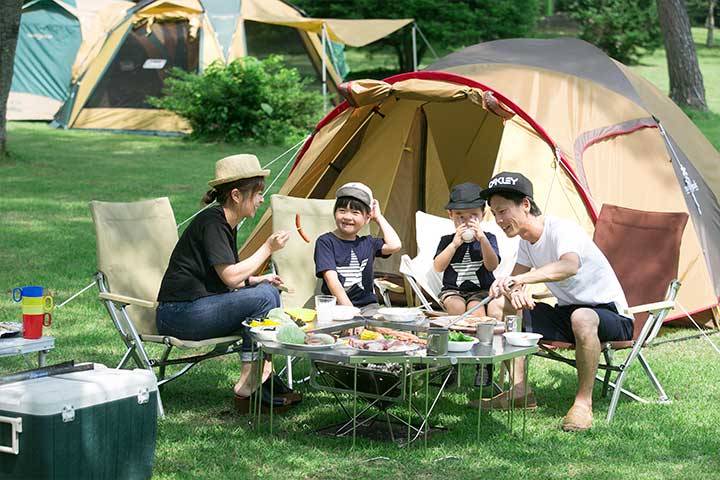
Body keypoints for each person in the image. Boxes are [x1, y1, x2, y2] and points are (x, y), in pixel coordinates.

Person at [480, 171, 633, 431]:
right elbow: (516, 280)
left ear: (525, 204)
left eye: (503, 211)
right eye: (494, 214)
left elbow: (569, 266)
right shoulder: (526, 242)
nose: (499, 220)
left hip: (609, 315)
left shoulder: (562, 229)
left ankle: (583, 404)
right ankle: (520, 391)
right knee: (498, 306)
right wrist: (508, 287)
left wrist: (522, 280)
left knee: (582, 316)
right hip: (566, 314)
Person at [156, 153, 298, 412]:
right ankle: (250, 381)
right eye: (258, 193)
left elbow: (225, 280)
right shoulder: (212, 222)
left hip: (198, 308)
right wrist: (267, 248)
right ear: (236, 195)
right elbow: (231, 277)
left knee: (268, 291)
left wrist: (257, 279)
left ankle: (261, 374)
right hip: (178, 315)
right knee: (264, 297)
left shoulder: (225, 223)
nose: (262, 199)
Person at [433, 182, 501, 387]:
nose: (467, 221)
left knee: (476, 313)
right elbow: (438, 266)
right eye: (460, 217)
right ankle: (451, 363)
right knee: (455, 308)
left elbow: (492, 265)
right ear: (450, 215)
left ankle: (483, 363)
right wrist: (454, 244)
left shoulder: (488, 238)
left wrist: (482, 240)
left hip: (481, 291)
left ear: (483, 215)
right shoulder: (447, 240)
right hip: (453, 290)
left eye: (473, 216)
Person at [314, 182, 402, 316]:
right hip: (337, 307)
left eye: (355, 212)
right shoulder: (326, 242)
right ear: (335, 213)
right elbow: (332, 280)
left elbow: (395, 245)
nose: (347, 217)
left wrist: (378, 217)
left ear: (367, 218)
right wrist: (351, 311)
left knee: (379, 325)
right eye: (342, 211)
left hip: (368, 307)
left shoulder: (368, 243)